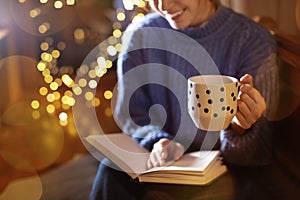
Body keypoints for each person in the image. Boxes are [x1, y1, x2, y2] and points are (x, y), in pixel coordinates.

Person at [90, 0, 278, 199]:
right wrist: (157, 140)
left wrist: (240, 129)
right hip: (158, 158)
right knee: (109, 168)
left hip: (223, 170)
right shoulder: (141, 35)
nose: (163, 6)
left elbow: (257, 156)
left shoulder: (252, 40)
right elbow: (132, 116)